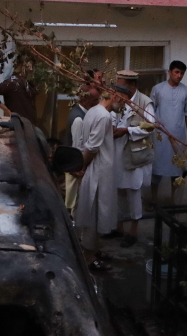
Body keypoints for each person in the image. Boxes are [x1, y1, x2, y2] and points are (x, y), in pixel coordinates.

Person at [74, 88, 118, 272]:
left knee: (97, 211)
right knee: (93, 211)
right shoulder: (103, 116)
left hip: (99, 168)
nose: (123, 105)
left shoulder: (94, 111)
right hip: (97, 169)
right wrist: (82, 166)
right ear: (114, 96)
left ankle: (94, 249)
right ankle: (88, 256)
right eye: (122, 100)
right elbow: (92, 147)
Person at [112, 72, 155, 248]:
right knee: (119, 190)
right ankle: (119, 226)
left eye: (121, 85)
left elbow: (150, 126)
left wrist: (127, 130)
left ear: (131, 85)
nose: (117, 88)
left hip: (135, 154)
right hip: (118, 152)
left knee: (134, 191)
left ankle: (133, 230)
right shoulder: (119, 98)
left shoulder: (145, 102)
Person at [150, 60, 187, 206]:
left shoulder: (185, 90)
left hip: (178, 135)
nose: (179, 75)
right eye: (176, 72)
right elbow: (150, 111)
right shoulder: (158, 89)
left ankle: (174, 202)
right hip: (160, 136)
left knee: (176, 169)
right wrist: (153, 126)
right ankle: (153, 201)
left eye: (182, 73)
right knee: (156, 169)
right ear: (169, 72)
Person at [64, 85, 101, 213]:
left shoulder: (81, 113)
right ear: (84, 100)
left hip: (75, 165)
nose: (97, 103)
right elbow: (77, 146)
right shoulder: (79, 119)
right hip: (76, 167)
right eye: (95, 100)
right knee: (74, 202)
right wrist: (78, 168)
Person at [0, 56, 38, 124]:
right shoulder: (11, 83)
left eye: (32, 67)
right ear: (22, 67)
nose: (31, 69)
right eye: (28, 66)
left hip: (28, 123)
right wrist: (6, 110)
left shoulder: (27, 82)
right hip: (17, 124)